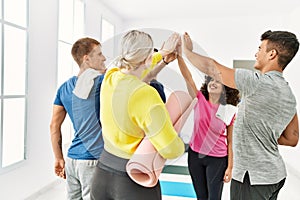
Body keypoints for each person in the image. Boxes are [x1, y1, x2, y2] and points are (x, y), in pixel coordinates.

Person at [182, 31, 299, 200]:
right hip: (275, 176)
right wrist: (264, 135)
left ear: (272, 54)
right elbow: (292, 138)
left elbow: (212, 67)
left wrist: (186, 51)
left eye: (260, 49)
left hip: (251, 177)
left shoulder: (257, 82)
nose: (256, 54)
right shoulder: (289, 95)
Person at [90, 30, 185, 200]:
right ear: (147, 58)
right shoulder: (146, 94)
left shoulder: (110, 77)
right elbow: (170, 149)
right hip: (133, 183)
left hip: (101, 177)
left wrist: (161, 55)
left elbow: (134, 67)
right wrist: (177, 134)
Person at [176, 42, 240, 200]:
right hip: (195, 156)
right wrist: (179, 55)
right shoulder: (199, 100)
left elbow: (231, 141)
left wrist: (230, 167)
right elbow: (188, 77)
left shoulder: (229, 110)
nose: (213, 82)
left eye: (218, 81)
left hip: (217, 159)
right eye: (212, 80)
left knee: (214, 198)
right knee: (201, 197)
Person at [50, 37, 106, 200]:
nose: (103, 58)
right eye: (100, 54)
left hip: (72, 159)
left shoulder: (64, 88)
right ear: (86, 58)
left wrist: (58, 158)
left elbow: (54, 126)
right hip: (92, 161)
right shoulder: (101, 82)